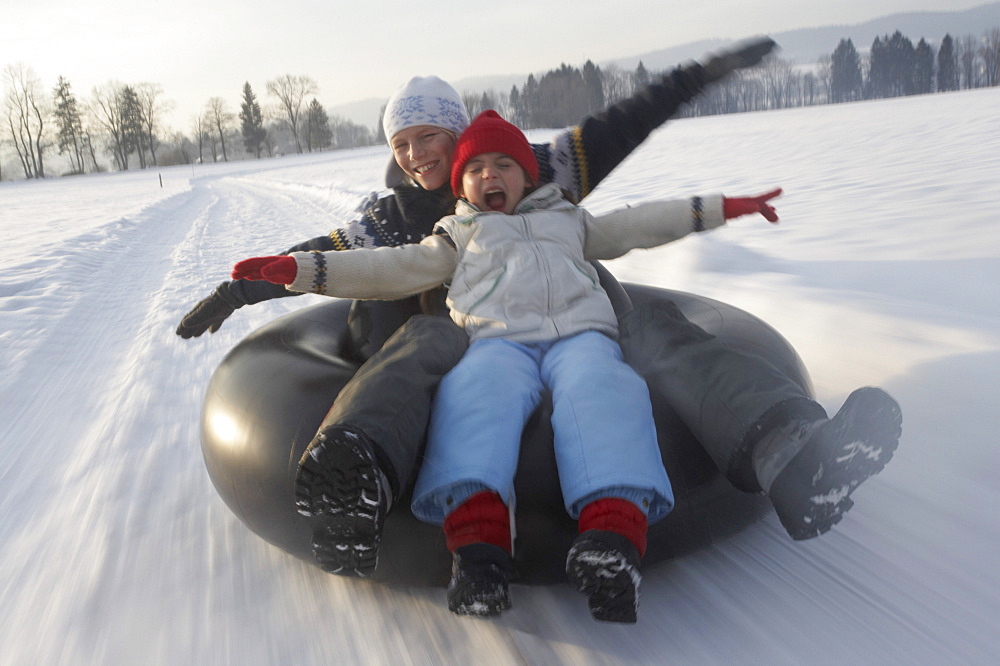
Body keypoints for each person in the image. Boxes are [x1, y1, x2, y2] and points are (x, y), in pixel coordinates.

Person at [176, 38, 779, 580]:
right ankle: (359, 467)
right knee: (418, 329)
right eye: (401, 144)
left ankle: (755, 430)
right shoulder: (390, 218)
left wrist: (701, 74)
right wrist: (244, 289)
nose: (415, 155)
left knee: (594, 273)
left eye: (429, 137)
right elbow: (331, 257)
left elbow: (625, 121)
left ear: (456, 133)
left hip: (555, 334)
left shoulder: (532, 171)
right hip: (451, 345)